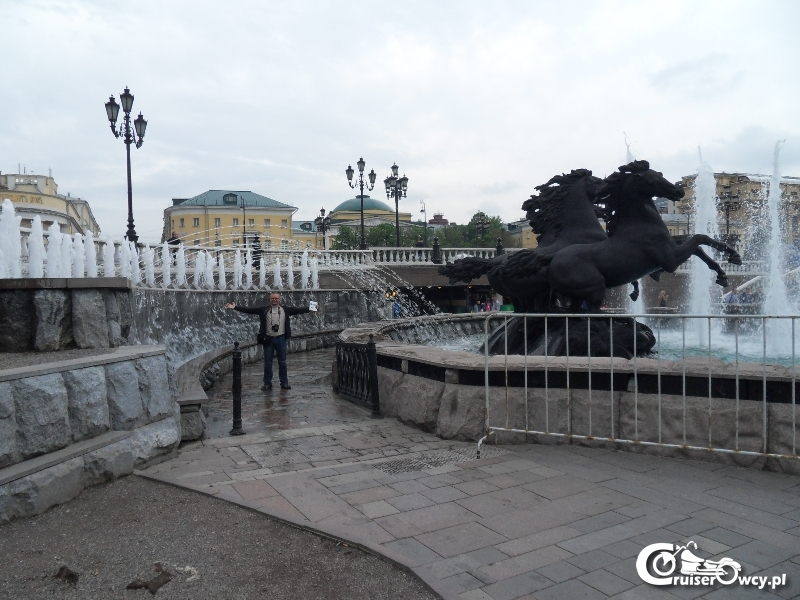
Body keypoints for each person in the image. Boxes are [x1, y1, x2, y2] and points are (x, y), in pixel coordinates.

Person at [225, 293, 316, 390]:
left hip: (281, 339)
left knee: (282, 362)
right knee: (268, 363)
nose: (274, 300)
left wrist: (312, 308)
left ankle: (284, 383)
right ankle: (267, 383)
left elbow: (299, 310)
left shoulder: (285, 310)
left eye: (276, 298)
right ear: (270, 300)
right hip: (268, 339)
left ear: (279, 300)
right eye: (272, 298)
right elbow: (250, 310)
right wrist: (235, 307)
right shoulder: (264, 310)